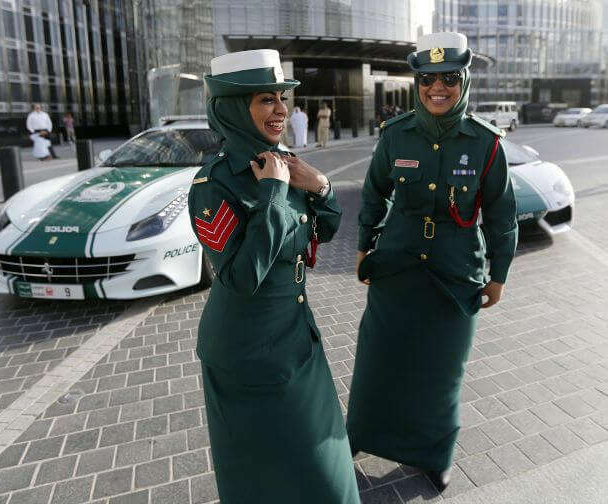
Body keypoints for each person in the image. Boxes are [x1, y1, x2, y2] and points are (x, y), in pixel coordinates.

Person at [347, 32, 518, 492]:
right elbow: (374, 193)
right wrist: (365, 246)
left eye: (447, 79)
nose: (436, 88)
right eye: (427, 80)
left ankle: (433, 455)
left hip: (455, 275)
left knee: (441, 372)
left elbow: (502, 215)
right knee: (379, 360)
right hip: (397, 268)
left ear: (463, 81)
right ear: (417, 83)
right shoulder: (396, 134)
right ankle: (358, 436)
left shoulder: (486, 143)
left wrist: (498, 276)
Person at [188, 49, 359, 503]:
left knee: (328, 468)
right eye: (266, 99)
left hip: (296, 338)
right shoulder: (214, 185)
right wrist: (273, 195)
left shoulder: (280, 161)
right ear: (231, 108)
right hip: (245, 353)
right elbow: (243, 277)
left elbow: (328, 226)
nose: (281, 108)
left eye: (282, 97)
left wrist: (319, 185)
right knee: (261, 479)